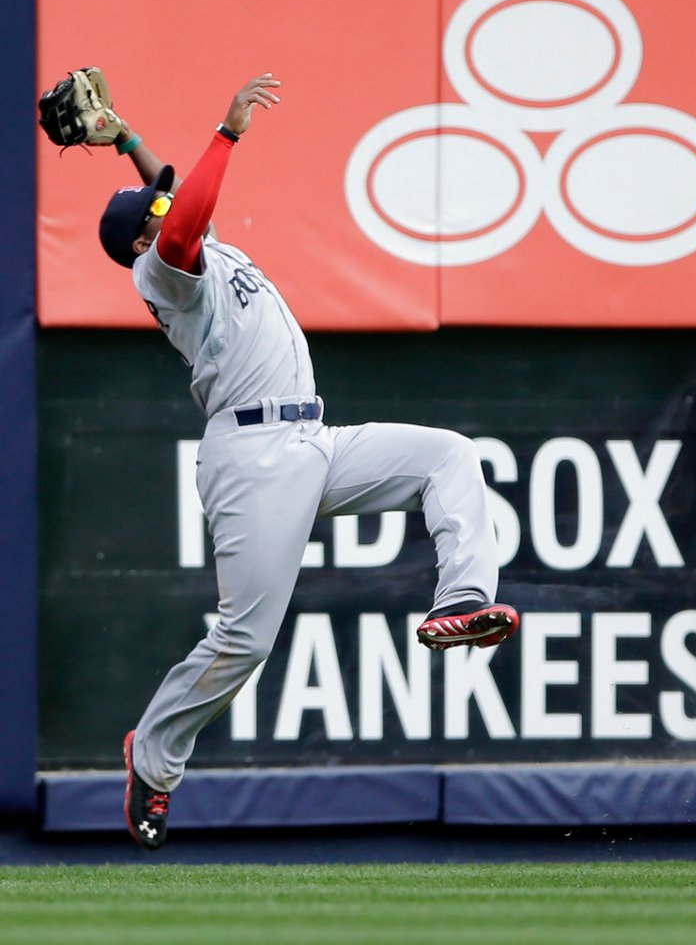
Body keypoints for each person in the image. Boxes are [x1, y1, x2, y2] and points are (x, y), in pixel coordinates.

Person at [97, 73, 520, 850]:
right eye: (153, 217)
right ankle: (152, 761)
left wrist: (125, 140)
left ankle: (458, 601)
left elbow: (170, 198)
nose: (170, 207)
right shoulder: (162, 269)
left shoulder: (192, 248)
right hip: (250, 455)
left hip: (312, 441)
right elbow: (181, 217)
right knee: (245, 640)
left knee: (447, 456)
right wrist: (225, 135)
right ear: (140, 242)